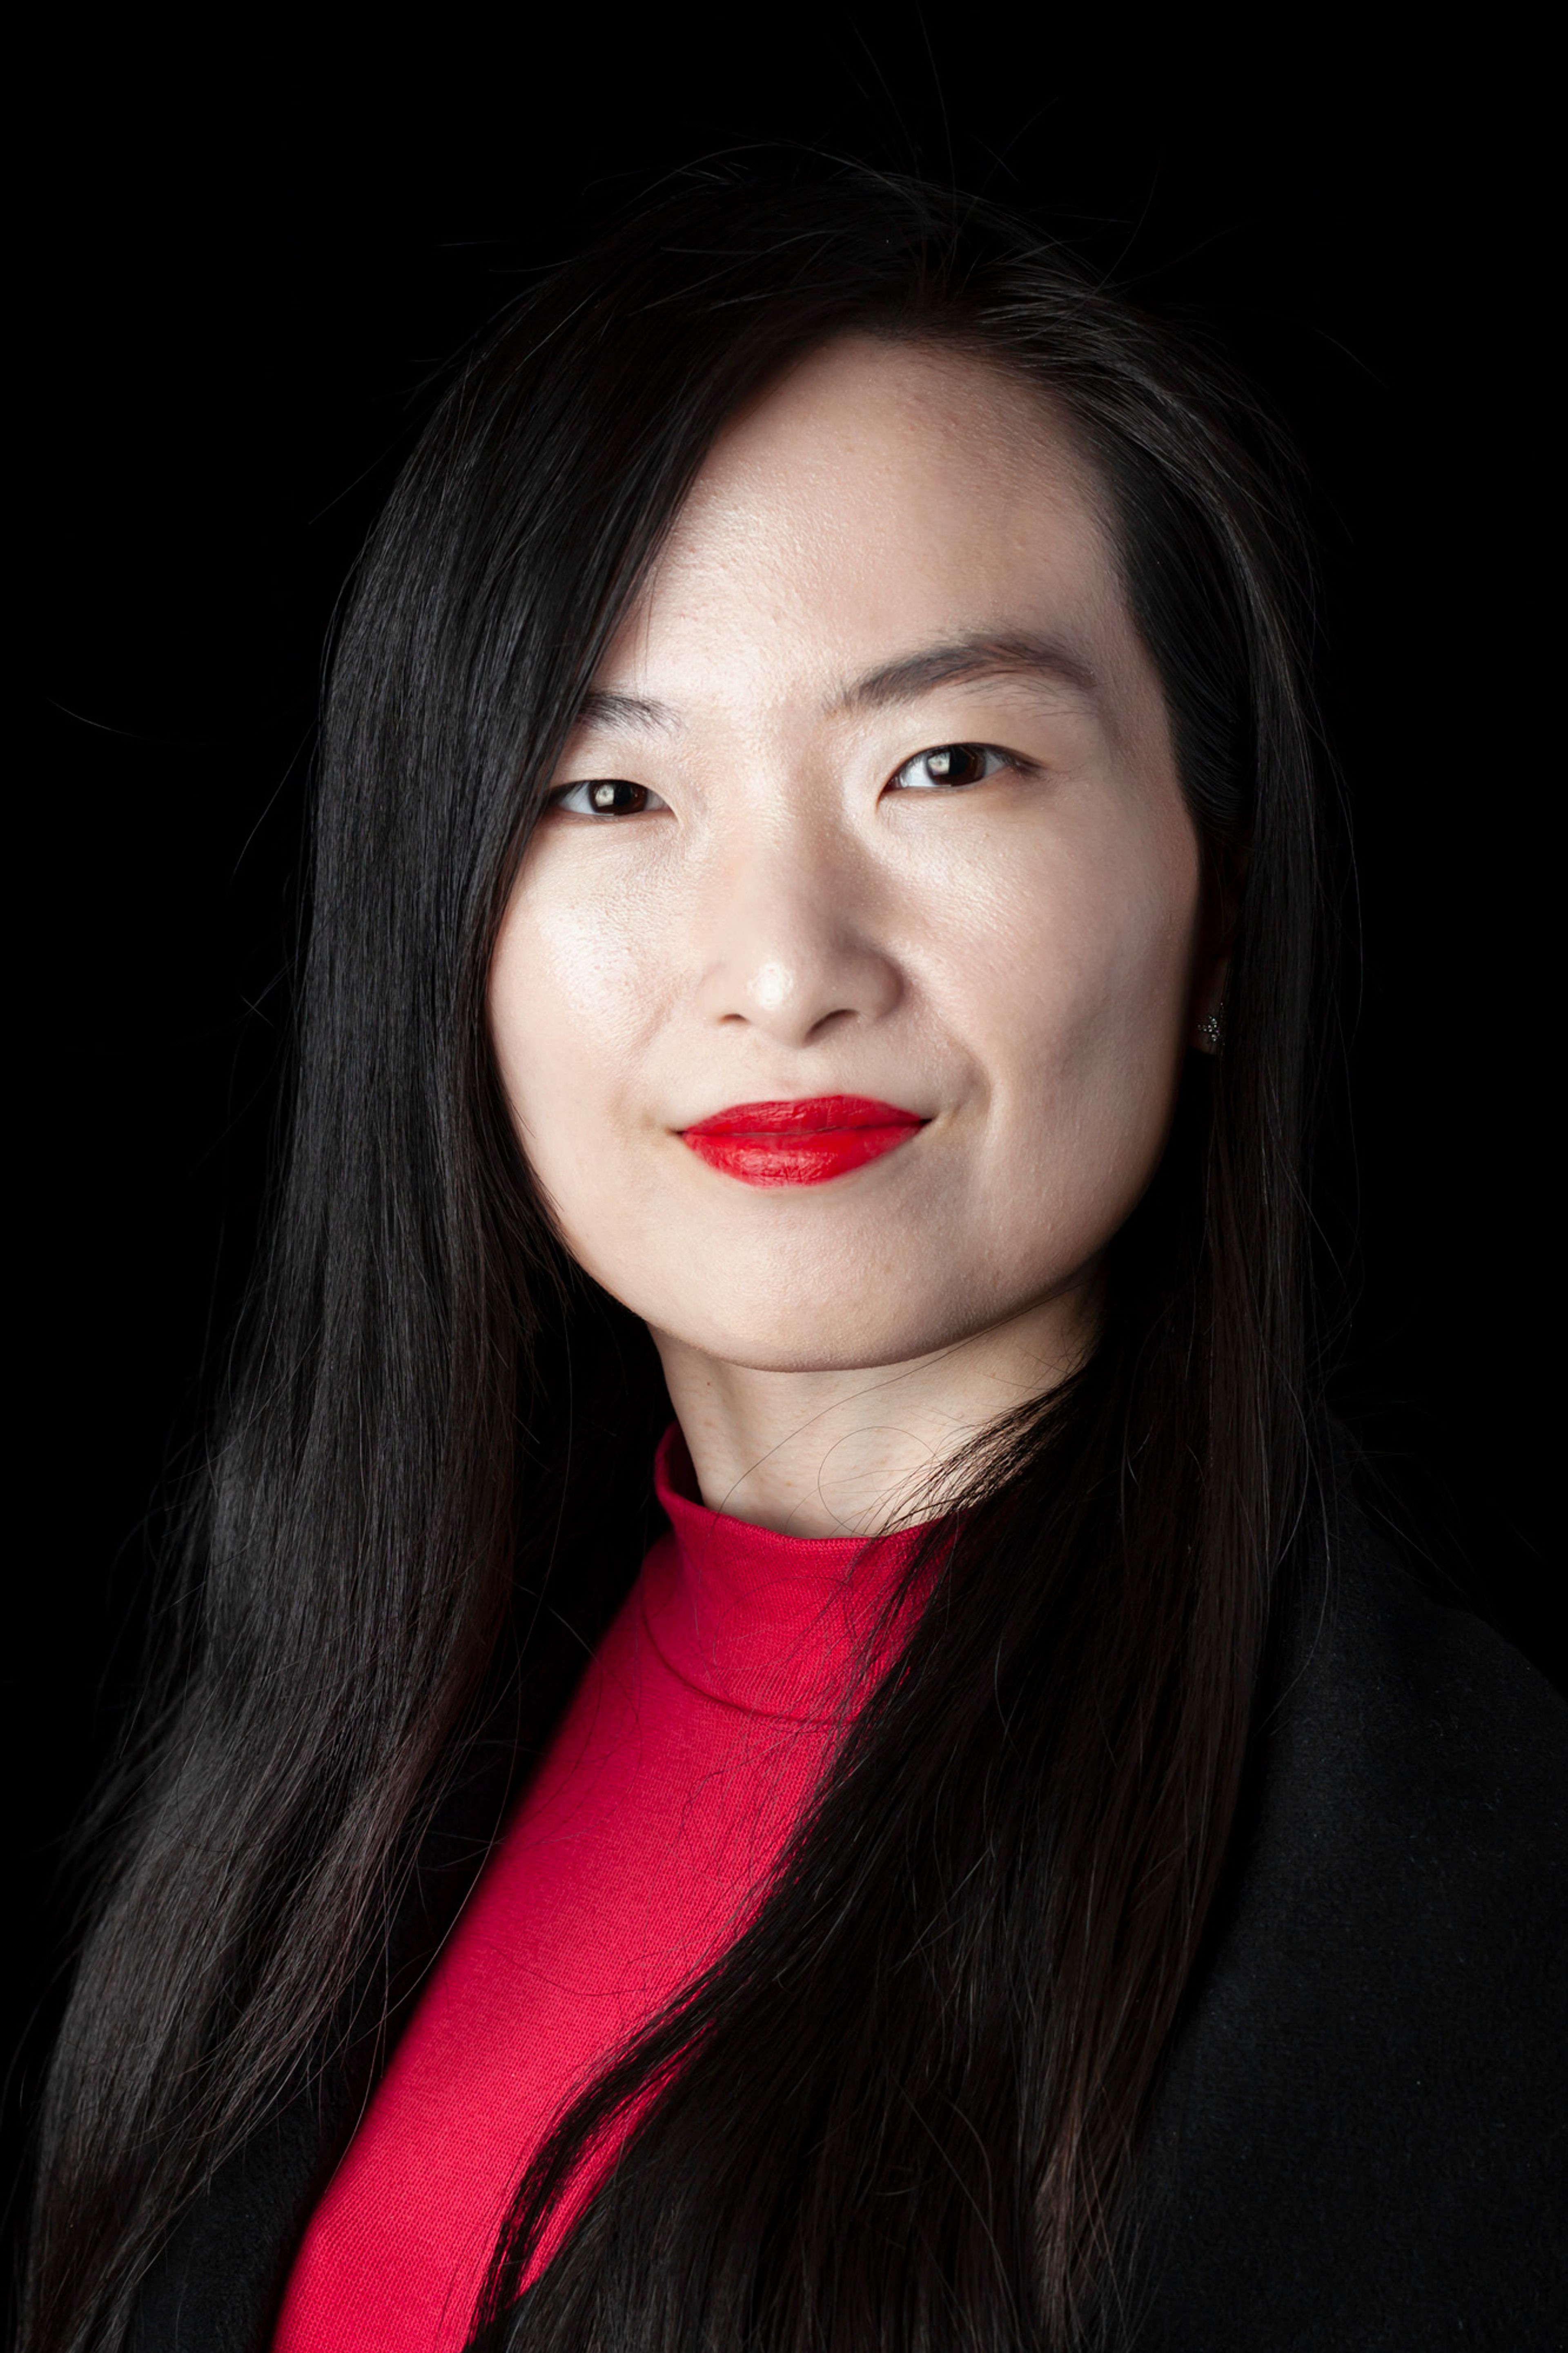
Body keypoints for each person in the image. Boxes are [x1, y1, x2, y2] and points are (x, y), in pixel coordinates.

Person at [25, 165, 1565, 2353]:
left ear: (1219, 906)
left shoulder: (1456, 1910)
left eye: (945, 763)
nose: (780, 967)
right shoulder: (357, 1729)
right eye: (607, 793)